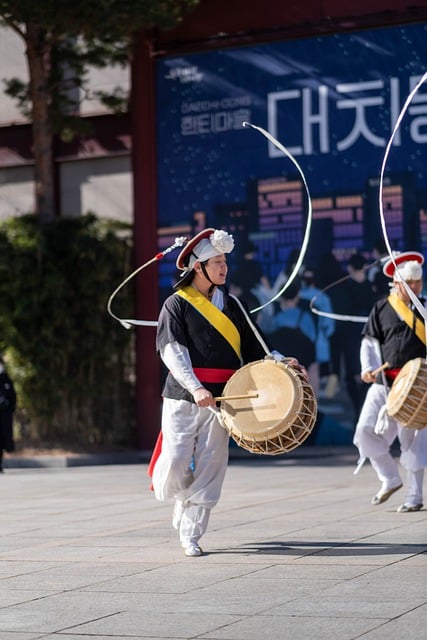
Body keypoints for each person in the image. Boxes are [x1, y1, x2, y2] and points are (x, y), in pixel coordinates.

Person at [149, 228, 300, 557]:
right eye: (217, 262)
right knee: (175, 460)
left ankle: (192, 531)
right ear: (198, 267)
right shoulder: (175, 304)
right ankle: (181, 499)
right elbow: (172, 351)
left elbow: (258, 346)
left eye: (225, 262)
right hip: (183, 393)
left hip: (225, 397)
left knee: (212, 461)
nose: (224, 268)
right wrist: (195, 387)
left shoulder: (233, 304)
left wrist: (279, 361)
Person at [353, 251, 427, 511]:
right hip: (384, 383)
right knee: (363, 432)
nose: (415, 287)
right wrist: (368, 368)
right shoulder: (382, 307)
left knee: (412, 441)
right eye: (410, 282)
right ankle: (389, 477)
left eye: (418, 282)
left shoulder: (425, 309)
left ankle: (415, 497)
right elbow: (370, 342)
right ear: (397, 283)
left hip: (416, 387)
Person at [329, 252, 376, 417]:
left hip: (352, 339)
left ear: (349, 268)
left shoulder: (345, 289)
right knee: (367, 375)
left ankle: (360, 411)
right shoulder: (372, 288)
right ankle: (362, 411)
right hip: (370, 339)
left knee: (354, 377)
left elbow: (341, 318)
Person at [0, 356, 17, 473]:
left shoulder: (6, 379)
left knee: (2, 441)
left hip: (4, 416)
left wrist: (9, 409)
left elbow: (13, 397)